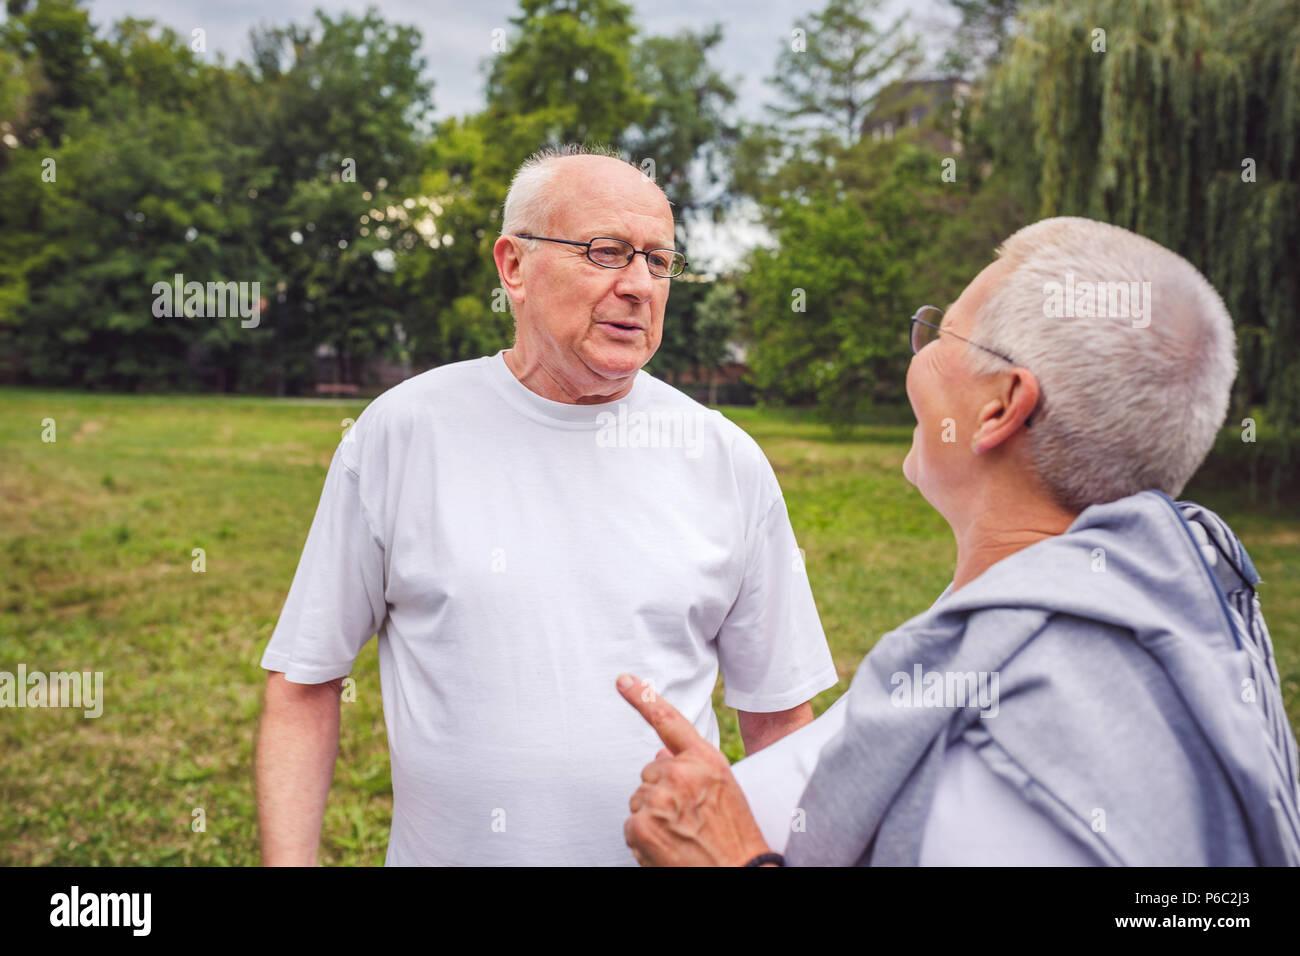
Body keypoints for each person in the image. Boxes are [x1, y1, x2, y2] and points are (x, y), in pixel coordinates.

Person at [618, 216, 1300, 867]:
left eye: (940, 334)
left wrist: (733, 859)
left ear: (1001, 408)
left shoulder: (1017, 755)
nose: (918, 356)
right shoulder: (1186, 625)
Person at [255, 145, 838, 866]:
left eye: (658, 262)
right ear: (514, 266)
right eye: (606, 252)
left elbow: (779, 718)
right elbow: (306, 683)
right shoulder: (403, 432)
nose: (639, 286)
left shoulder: (727, 460)